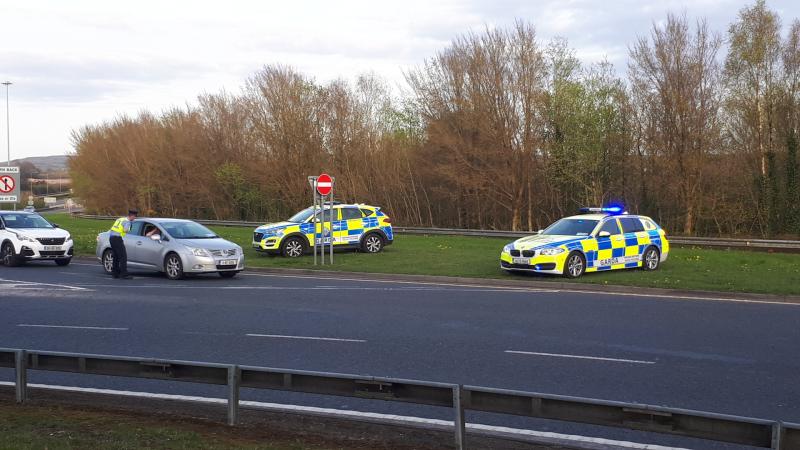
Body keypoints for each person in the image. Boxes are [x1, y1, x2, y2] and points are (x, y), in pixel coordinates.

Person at [108, 209, 137, 279]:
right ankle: (124, 274)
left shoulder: (120, 219)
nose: (135, 218)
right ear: (132, 216)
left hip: (111, 238)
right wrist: (130, 227)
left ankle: (115, 273)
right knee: (123, 256)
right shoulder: (127, 222)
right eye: (135, 217)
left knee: (116, 256)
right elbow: (125, 230)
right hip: (117, 239)